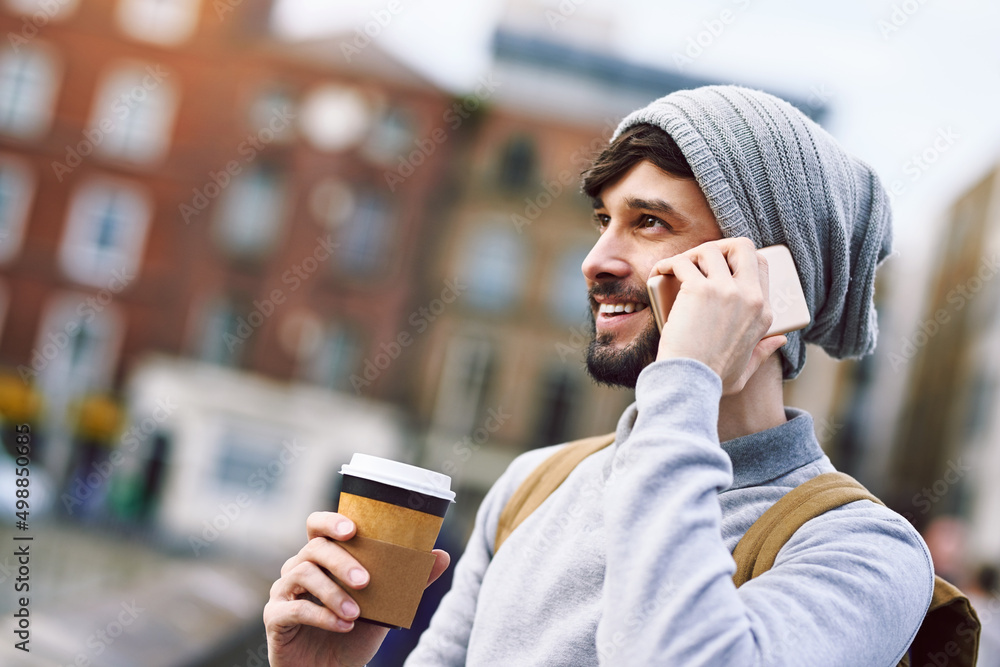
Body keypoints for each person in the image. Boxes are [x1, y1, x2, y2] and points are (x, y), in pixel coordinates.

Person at [264, 85, 934, 666]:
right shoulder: (532, 485)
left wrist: (686, 379)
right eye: (602, 220)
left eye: (648, 222)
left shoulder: (865, 551)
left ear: (763, 276)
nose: (595, 259)